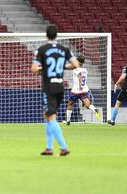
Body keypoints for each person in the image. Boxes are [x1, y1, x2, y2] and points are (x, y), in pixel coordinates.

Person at [31, 25, 80, 156]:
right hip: (60, 87)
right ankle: (48, 147)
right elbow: (75, 65)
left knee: (50, 116)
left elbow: (34, 69)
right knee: (48, 115)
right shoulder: (64, 49)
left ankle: (64, 147)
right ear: (56, 35)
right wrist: (62, 66)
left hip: (49, 88)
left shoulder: (42, 49)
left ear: (46, 35)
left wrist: (44, 69)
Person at [65, 55, 100, 125]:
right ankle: (95, 109)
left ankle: (68, 121)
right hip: (84, 90)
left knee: (70, 104)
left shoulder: (76, 69)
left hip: (76, 90)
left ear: (77, 61)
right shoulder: (85, 70)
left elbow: (80, 75)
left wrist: (80, 85)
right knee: (88, 105)